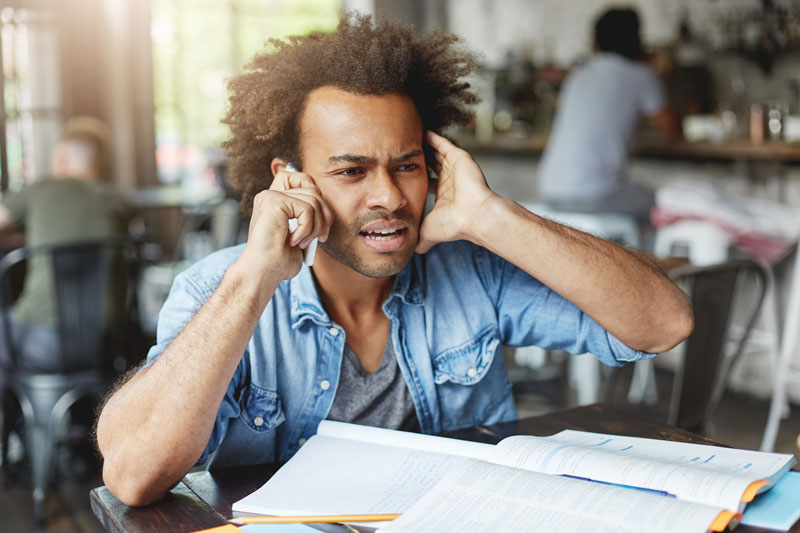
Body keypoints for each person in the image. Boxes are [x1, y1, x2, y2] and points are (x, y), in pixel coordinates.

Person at [95, 13, 692, 507]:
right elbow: (132, 475)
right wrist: (255, 277)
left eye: (406, 165)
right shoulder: (215, 292)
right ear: (291, 181)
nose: (389, 196)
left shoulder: (473, 269)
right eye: (352, 171)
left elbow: (666, 322)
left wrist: (492, 216)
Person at [0, 116, 131, 371]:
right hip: (108, 343)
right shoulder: (118, 200)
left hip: (41, 342)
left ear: (60, 159)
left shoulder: (39, 191)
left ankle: (12, 409)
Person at [537, 8, 680, 223]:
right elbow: (673, 130)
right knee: (664, 205)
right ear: (637, 39)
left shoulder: (579, 75)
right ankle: (643, 257)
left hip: (551, 191)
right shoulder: (641, 75)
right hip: (595, 195)